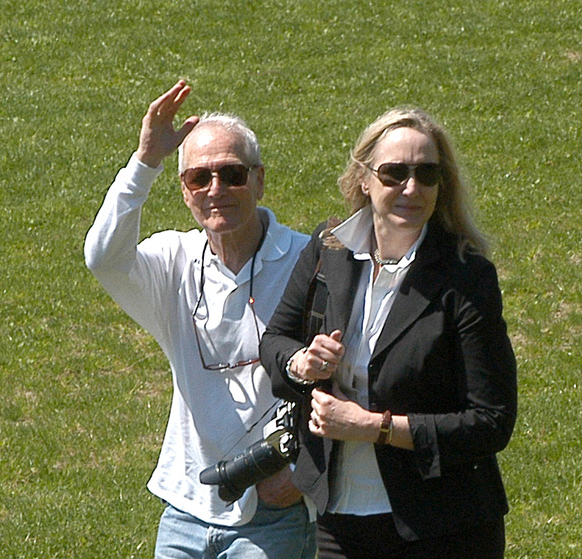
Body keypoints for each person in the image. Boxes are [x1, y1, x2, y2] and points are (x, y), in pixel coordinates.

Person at [260, 107, 517, 558]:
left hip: (442, 527)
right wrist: (301, 364)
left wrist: (371, 427)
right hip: (339, 522)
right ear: (364, 179)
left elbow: (490, 422)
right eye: (394, 173)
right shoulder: (328, 249)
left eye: (427, 173)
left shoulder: (465, 277)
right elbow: (275, 344)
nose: (411, 188)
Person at [84, 80, 314, 559]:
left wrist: (303, 471)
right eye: (199, 178)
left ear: (259, 180)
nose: (216, 190)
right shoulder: (172, 260)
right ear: (184, 191)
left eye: (232, 174)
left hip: (273, 510)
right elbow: (103, 258)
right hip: (186, 506)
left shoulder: (305, 261)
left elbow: (350, 375)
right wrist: (146, 160)